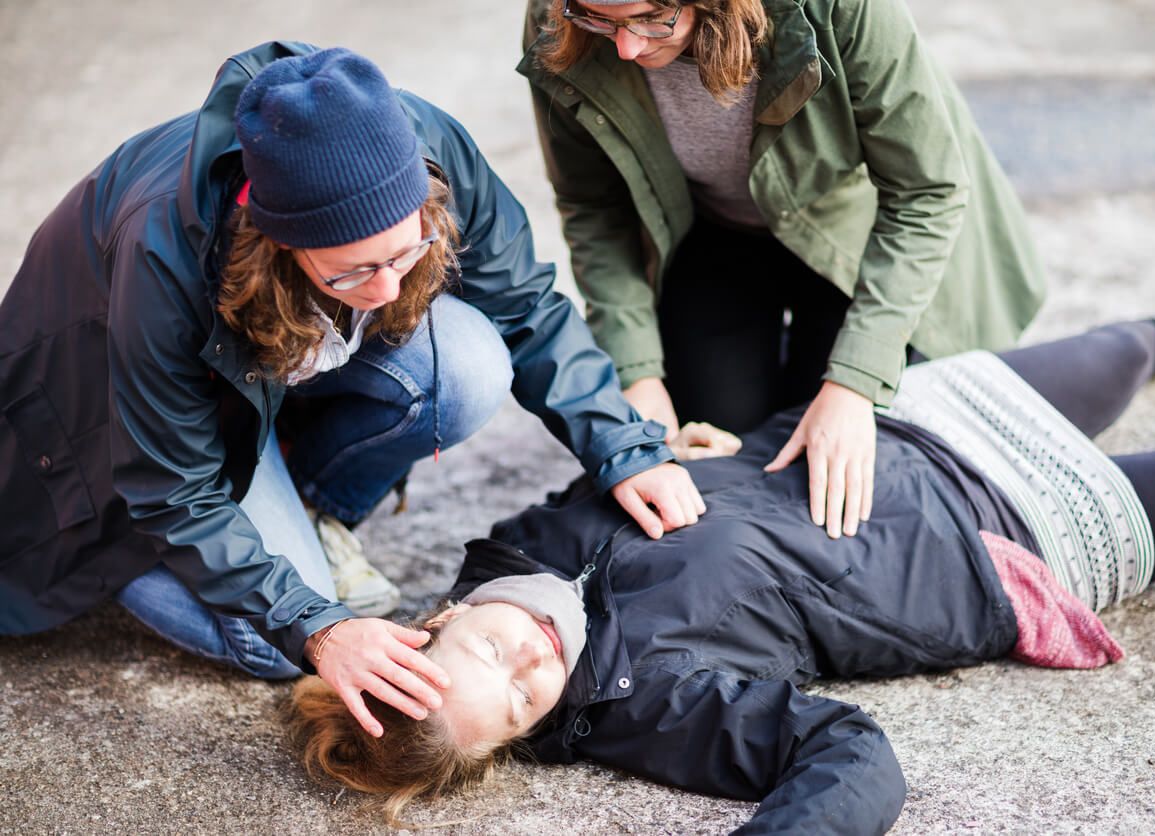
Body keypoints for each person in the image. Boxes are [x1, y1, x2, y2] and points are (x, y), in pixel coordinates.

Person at [287, 306, 1155, 833]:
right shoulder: (645, 702)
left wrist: (700, 451)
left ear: (441, 616)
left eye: (490, 651)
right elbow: (850, 755)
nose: (528, 663)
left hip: (885, 430)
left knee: (1125, 344)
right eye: (517, 704)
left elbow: (648, 480)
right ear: (521, 738)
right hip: (996, 538)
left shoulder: (512, 547)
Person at [0, 42, 705, 739]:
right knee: (275, 646)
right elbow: (175, 487)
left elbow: (521, 304)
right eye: (350, 272)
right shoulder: (162, 249)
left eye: (407, 250)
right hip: (125, 444)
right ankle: (121, 557)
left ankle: (304, 505)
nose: (389, 289)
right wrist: (317, 628)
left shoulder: (422, 141)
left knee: (467, 363)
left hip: (257, 386)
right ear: (274, 242)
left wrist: (622, 444)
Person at [519, 0, 1049, 540]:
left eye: (653, 18)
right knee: (718, 457)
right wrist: (639, 376)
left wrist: (854, 384)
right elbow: (594, 207)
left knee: (840, 469)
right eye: (601, 19)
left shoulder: (839, 8)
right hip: (712, 234)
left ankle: (1142, 339)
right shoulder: (559, 18)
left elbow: (924, 193)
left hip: (853, 232)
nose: (627, 47)